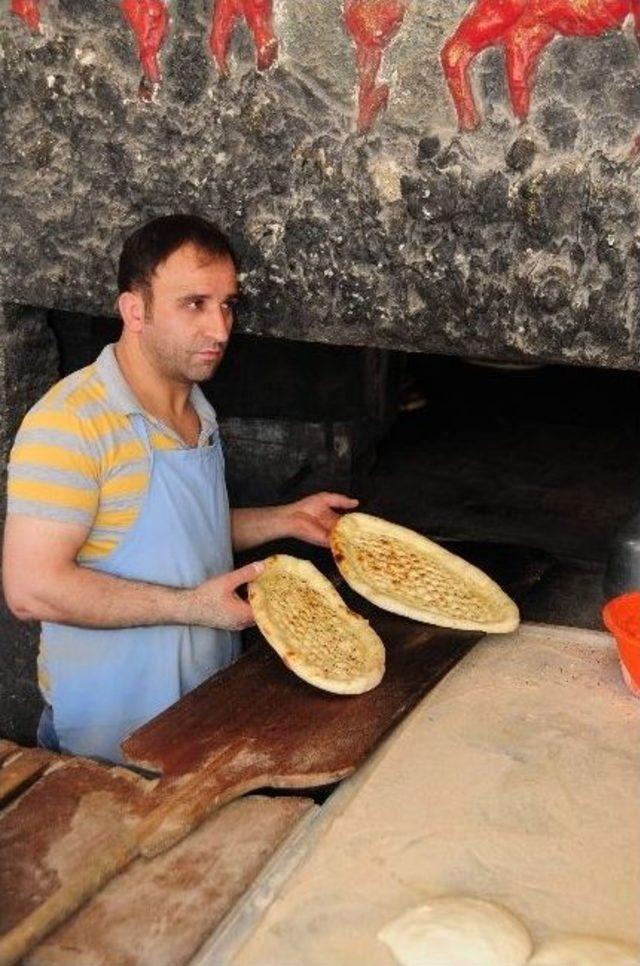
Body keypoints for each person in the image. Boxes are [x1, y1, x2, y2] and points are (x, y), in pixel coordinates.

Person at [2, 214, 358, 763]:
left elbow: (180, 534)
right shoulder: (71, 424)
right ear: (134, 310)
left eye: (227, 305)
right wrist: (194, 607)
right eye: (194, 304)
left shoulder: (196, 408)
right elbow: (31, 589)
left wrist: (286, 518)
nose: (220, 330)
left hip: (205, 714)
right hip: (110, 745)